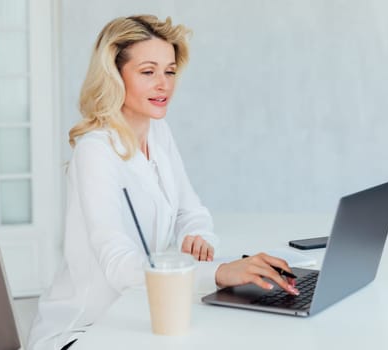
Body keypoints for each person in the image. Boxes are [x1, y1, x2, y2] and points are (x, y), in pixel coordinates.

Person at [28, 15, 299, 350]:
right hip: (87, 330)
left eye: (169, 71)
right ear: (115, 75)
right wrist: (219, 272)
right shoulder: (95, 151)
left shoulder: (158, 132)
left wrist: (195, 237)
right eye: (148, 72)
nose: (164, 84)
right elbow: (119, 266)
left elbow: (192, 211)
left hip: (144, 313)